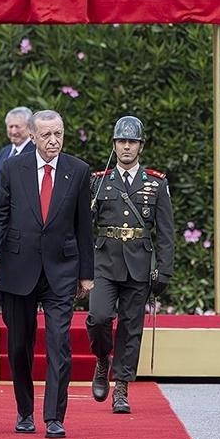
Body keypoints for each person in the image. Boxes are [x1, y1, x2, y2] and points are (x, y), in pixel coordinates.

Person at [0, 109, 94, 439]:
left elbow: (84, 226)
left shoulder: (78, 170)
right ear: (33, 137)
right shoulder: (12, 168)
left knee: (59, 344)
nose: (53, 140)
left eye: (58, 134)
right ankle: (24, 411)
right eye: (46, 135)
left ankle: (55, 417)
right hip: (19, 268)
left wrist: (86, 273)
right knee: (19, 345)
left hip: (62, 269)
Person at [87, 115, 175, 413]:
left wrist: (164, 270)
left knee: (131, 327)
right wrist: (80, 268)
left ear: (141, 146)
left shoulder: (155, 183)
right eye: (122, 141)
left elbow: (166, 232)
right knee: (98, 317)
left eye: (132, 142)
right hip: (104, 261)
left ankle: (122, 387)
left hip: (138, 262)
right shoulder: (99, 181)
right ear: (114, 145)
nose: (127, 147)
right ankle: (102, 359)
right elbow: (84, 227)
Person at [0, 106, 35, 204]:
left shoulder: (35, 152)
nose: (13, 131)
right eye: (10, 127)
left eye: (17, 127)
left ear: (29, 127)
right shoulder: (4, 151)